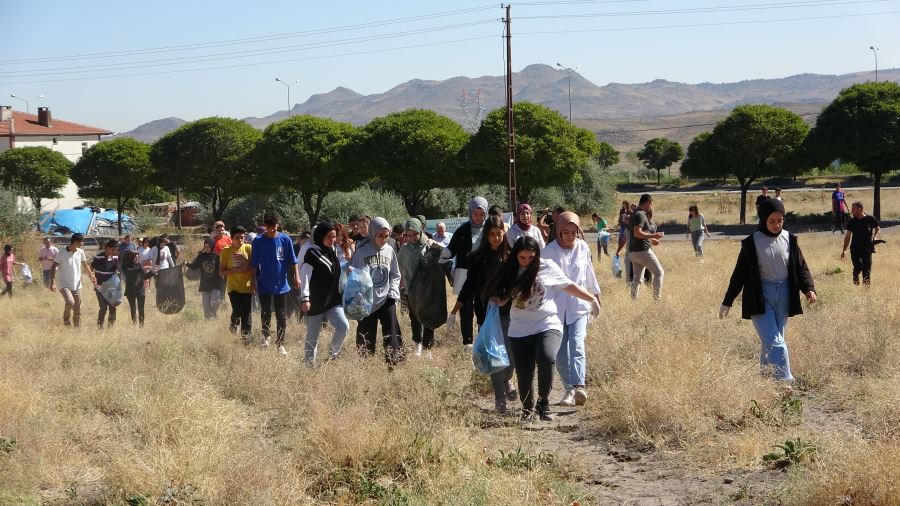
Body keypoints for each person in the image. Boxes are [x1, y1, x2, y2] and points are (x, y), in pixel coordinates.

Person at [484, 236, 601, 421]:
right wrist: (498, 300)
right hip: (520, 328)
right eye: (522, 258)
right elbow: (503, 297)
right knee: (524, 373)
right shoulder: (509, 271)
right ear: (516, 256)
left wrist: (591, 299)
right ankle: (528, 408)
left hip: (548, 322)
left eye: (531, 257)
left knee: (547, 357)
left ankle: (543, 402)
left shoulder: (547, 266)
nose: (527, 262)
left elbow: (568, 285)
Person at [720, 198, 816, 382]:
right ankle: (785, 383)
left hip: (785, 295)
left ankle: (766, 380)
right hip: (760, 296)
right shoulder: (751, 242)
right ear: (763, 219)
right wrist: (727, 301)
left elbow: (801, 267)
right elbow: (739, 274)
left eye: (780, 220)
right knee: (776, 342)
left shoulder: (790, 239)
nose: (776, 224)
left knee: (771, 341)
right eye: (772, 221)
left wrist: (808, 289)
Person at [451, 215, 516, 411]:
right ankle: (499, 397)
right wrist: (454, 311)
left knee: (511, 358)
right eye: (492, 234)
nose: (496, 238)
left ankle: (507, 380)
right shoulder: (477, 259)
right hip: (486, 316)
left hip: (509, 314)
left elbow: (517, 284)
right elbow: (469, 286)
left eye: (499, 234)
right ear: (486, 235)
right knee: (495, 356)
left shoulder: (511, 257)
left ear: (504, 234)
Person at [542, 213, 602, 407]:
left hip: (579, 307)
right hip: (555, 310)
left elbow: (589, 273)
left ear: (578, 232)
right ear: (558, 231)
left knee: (577, 344)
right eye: (565, 232)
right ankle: (569, 389)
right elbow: (540, 279)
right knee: (559, 353)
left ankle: (579, 386)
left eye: (573, 232)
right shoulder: (549, 251)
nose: (569, 236)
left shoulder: (583, 248)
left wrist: (595, 297)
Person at [350, 217, 404, 365]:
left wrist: (393, 291)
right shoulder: (361, 251)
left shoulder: (390, 250)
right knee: (366, 336)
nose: (384, 239)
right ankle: (365, 365)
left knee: (392, 333)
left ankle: (395, 364)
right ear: (373, 233)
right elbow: (354, 276)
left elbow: (395, 274)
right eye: (380, 235)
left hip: (387, 297)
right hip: (367, 301)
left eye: (387, 236)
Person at [300, 222, 350, 365]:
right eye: (329, 237)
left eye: (334, 237)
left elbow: (334, 270)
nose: (332, 240)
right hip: (315, 301)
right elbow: (305, 276)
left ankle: (331, 356)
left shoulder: (331, 250)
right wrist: (305, 298)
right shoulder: (312, 253)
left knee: (343, 326)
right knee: (313, 336)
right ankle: (309, 367)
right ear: (320, 236)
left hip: (332, 300)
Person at [251, 212, 299, 355]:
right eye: (269, 226)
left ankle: (280, 344)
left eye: (274, 226)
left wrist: (297, 277)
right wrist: (252, 282)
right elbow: (254, 264)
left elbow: (293, 261)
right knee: (265, 312)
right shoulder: (258, 241)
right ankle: (266, 336)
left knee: (281, 314)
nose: (272, 229)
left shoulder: (285, 239)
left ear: (278, 224)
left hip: (281, 284)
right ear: (265, 225)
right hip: (263, 283)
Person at [443, 196, 489, 348]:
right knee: (466, 308)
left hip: (484, 275)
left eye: (481, 214)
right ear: (470, 213)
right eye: (475, 213)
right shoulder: (462, 230)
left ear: (486, 213)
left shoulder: (490, 229)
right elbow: (451, 250)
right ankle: (467, 342)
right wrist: (442, 252)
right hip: (465, 274)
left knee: (483, 306)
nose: (478, 217)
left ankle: (482, 338)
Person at [398, 218, 443, 357]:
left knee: (428, 318)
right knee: (415, 317)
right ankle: (417, 343)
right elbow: (398, 266)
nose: (412, 238)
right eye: (409, 235)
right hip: (411, 290)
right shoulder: (404, 250)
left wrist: (435, 244)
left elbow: (445, 253)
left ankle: (427, 347)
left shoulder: (428, 244)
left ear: (420, 231)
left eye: (415, 234)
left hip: (427, 289)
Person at [49, 233, 97, 328]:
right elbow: (53, 267)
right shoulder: (62, 253)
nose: (82, 244)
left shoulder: (80, 252)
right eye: (81, 242)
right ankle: (66, 319)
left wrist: (91, 276)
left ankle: (77, 327)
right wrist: (53, 283)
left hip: (76, 284)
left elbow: (85, 265)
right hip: (63, 283)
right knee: (70, 302)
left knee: (77, 305)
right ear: (75, 242)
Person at [220, 226, 253, 342]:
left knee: (247, 314)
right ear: (231, 238)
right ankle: (233, 321)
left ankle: (246, 339)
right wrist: (235, 270)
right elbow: (221, 272)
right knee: (238, 311)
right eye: (237, 238)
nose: (240, 240)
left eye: (242, 238)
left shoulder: (249, 248)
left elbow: (254, 267)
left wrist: (245, 260)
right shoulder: (226, 251)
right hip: (233, 287)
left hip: (247, 287)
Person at [630, 194, 665, 300]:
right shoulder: (640, 215)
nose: (651, 206)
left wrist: (650, 240)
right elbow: (637, 233)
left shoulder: (635, 214)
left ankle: (633, 300)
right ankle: (656, 299)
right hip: (642, 251)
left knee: (637, 279)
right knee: (659, 272)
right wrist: (653, 235)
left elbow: (637, 235)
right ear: (648, 202)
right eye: (651, 204)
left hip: (634, 252)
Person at [841, 201, 881, 285]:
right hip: (855, 249)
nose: (851, 211)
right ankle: (855, 278)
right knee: (859, 266)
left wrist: (875, 237)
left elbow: (878, 228)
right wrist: (844, 250)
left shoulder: (870, 219)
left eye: (853, 209)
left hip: (867, 249)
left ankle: (865, 292)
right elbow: (848, 236)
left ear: (860, 209)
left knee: (866, 271)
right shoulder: (852, 221)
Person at [188, 238, 225, 319]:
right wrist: (186, 264)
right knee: (206, 305)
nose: (207, 248)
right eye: (205, 246)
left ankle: (213, 312)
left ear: (212, 247)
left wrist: (222, 284)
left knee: (216, 301)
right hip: (205, 284)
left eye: (208, 247)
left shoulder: (217, 257)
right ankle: (208, 321)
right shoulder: (201, 257)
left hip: (216, 284)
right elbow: (193, 267)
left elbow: (222, 270)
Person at [90, 239, 120, 328]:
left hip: (111, 287)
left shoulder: (115, 258)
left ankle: (111, 327)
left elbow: (116, 270)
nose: (114, 252)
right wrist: (93, 279)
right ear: (106, 248)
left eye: (115, 250)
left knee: (113, 307)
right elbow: (90, 270)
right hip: (100, 287)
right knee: (103, 308)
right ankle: (100, 326)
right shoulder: (98, 258)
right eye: (112, 249)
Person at [121, 250, 150, 326]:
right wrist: (142, 268)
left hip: (140, 289)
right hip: (130, 290)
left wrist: (153, 272)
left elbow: (145, 276)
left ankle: (141, 325)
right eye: (135, 257)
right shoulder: (125, 266)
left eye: (137, 257)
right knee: (133, 309)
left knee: (141, 309)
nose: (137, 259)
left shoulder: (139, 265)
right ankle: (134, 324)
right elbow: (129, 272)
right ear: (130, 257)